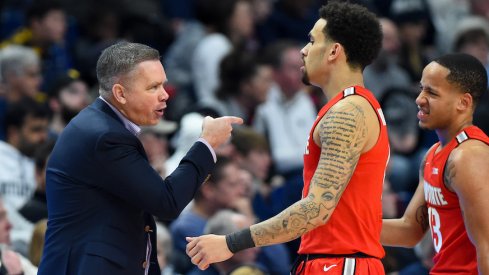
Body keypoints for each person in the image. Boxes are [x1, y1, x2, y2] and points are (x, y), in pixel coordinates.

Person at [186, 2, 388, 274]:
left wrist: (231, 243)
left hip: (340, 262)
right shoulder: (351, 107)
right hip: (333, 259)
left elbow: (316, 209)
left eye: (312, 41)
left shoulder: (347, 113)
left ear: (333, 51)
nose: (304, 50)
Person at [37, 41, 243, 275]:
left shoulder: (102, 126)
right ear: (120, 93)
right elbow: (167, 203)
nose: (165, 95)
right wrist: (207, 144)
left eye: (163, 85)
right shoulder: (105, 137)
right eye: (153, 87)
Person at [381, 53, 489, 274]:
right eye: (421, 88)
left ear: (463, 102)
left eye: (431, 92)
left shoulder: (468, 156)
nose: (419, 98)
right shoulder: (434, 153)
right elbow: (410, 230)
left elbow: (486, 246)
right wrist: (342, 227)